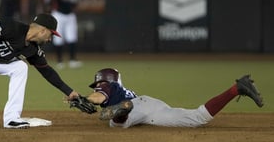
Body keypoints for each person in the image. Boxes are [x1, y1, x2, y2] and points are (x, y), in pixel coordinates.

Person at [85, 68, 264, 128]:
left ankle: (122, 113)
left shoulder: (108, 85)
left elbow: (98, 97)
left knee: (116, 125)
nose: (98, 86)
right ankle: (236, 89)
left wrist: (86, 100)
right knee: (198, 117)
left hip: (134, 107)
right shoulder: (122, 88)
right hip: (151, 105)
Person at [48, 0, 82, 69]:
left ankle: (72, 60)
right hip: (58, 15)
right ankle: (59, 61)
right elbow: (49, 1)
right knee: (58, 38)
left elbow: (74, 4)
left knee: (72, 38)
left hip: (70, 15)